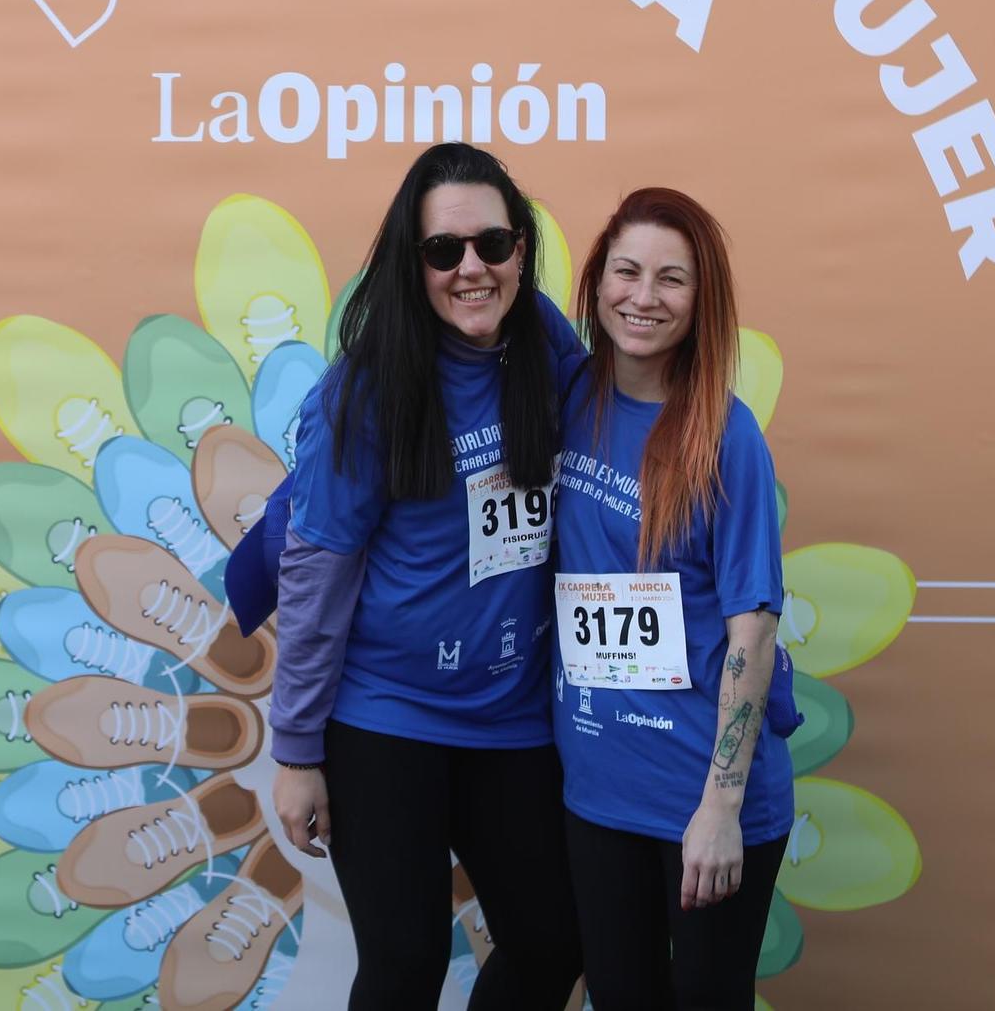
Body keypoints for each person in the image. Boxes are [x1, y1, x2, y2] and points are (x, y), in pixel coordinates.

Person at [269, 142, 584, 1010]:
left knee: (554, 941)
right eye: (444, 251)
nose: (472, 268)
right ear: (413, 265)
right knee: (404, 963)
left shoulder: (545, 343)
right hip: (386, 721)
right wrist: (297, 751)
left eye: (493, 242)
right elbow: (315, 578)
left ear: (521, 246)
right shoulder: (365, 392)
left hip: (512, 720)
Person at [550, 188, 793, 1011]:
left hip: (703, 799)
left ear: (702, 301)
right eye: (626, 271)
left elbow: (752, 631)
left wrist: (719, 808)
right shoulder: (563, 399)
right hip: (597, 792)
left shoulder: (726, 435)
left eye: (671, 279)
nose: (643, 297)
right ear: (596, 281)